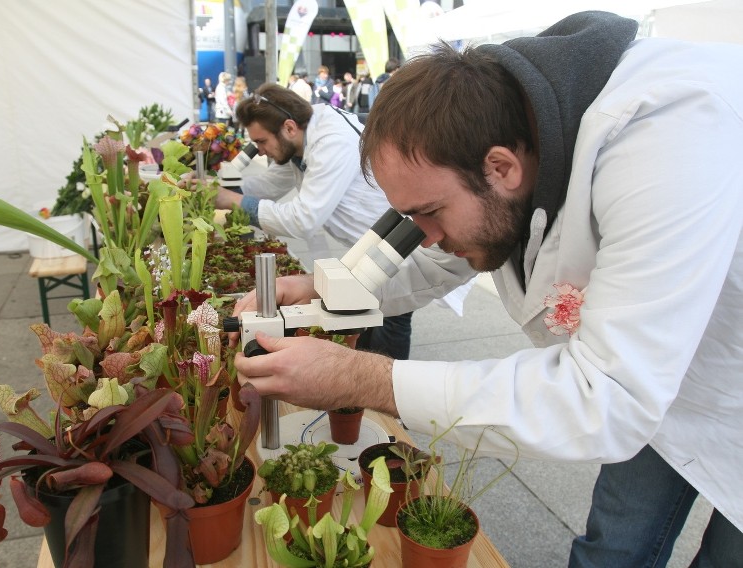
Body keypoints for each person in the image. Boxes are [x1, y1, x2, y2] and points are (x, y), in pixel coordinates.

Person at [232, 11, 743, 568]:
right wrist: (316, 288)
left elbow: (605, 396)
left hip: (713, 381)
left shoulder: (666, 136)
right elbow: (438, 261)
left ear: (500, 169)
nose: (422, 236)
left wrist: (360, 377)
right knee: (613, 546)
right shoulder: (513, 127)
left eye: (428, 212)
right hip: (659, 374)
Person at [216, 83, 417, 360]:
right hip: (369, 242)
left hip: (398, 240)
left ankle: (387, 392)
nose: (259, 152)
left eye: (261, 142)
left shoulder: (332, 140)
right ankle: (369, 382)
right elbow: (269, 185)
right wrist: (217, 188)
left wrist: (231, 200)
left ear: (288, 127)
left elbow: (303, 219)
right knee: (369, 317)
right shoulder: (300, 141)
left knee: (392, 319)